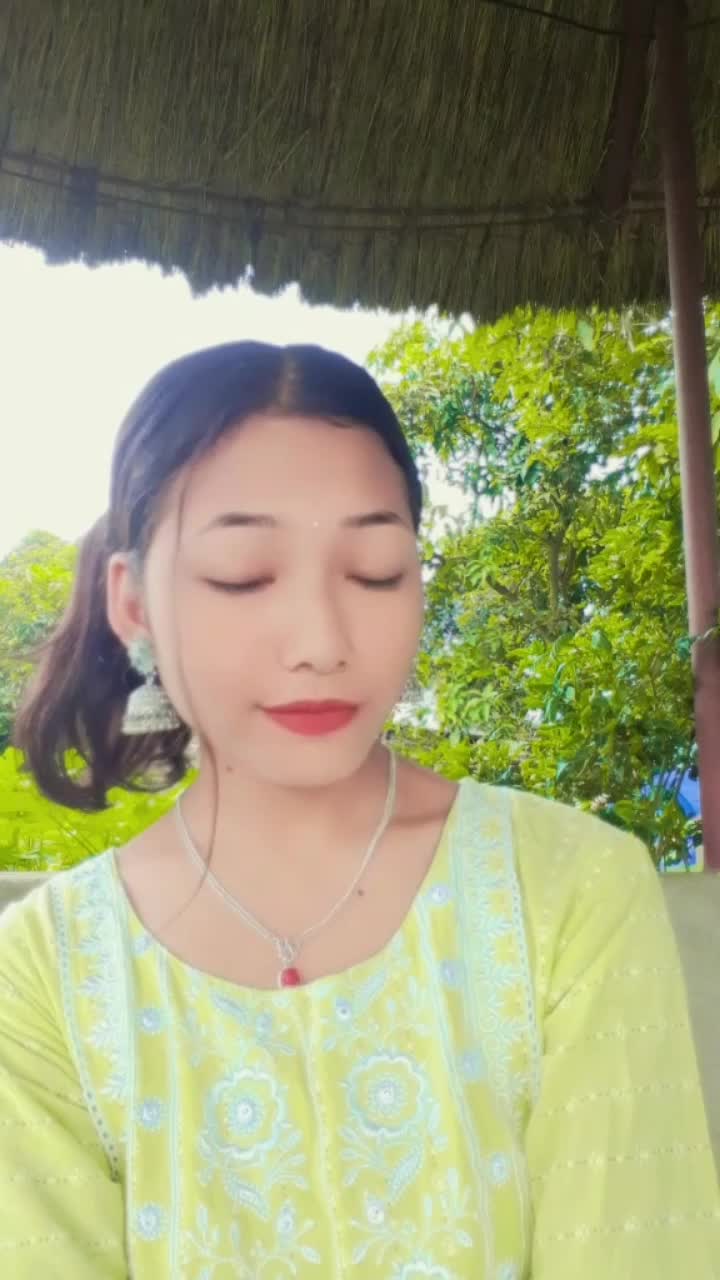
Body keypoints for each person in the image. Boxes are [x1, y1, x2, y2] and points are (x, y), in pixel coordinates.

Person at [0, 342, 718, 1279]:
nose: (322, 642)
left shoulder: (568, 890)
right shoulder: (44, 976)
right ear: (132, 604)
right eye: (243, 574)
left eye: (376, 570)